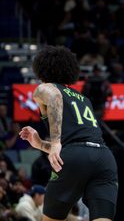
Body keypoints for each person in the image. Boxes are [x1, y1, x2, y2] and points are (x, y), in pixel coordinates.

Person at [18, 46, 118, 221]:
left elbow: (55, 96)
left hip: (75, 156)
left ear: (41, 69)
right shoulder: (84, 99)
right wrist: (40, 144)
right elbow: (79, 142)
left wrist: (55, 142)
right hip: (104, 157)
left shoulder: (44, 88)